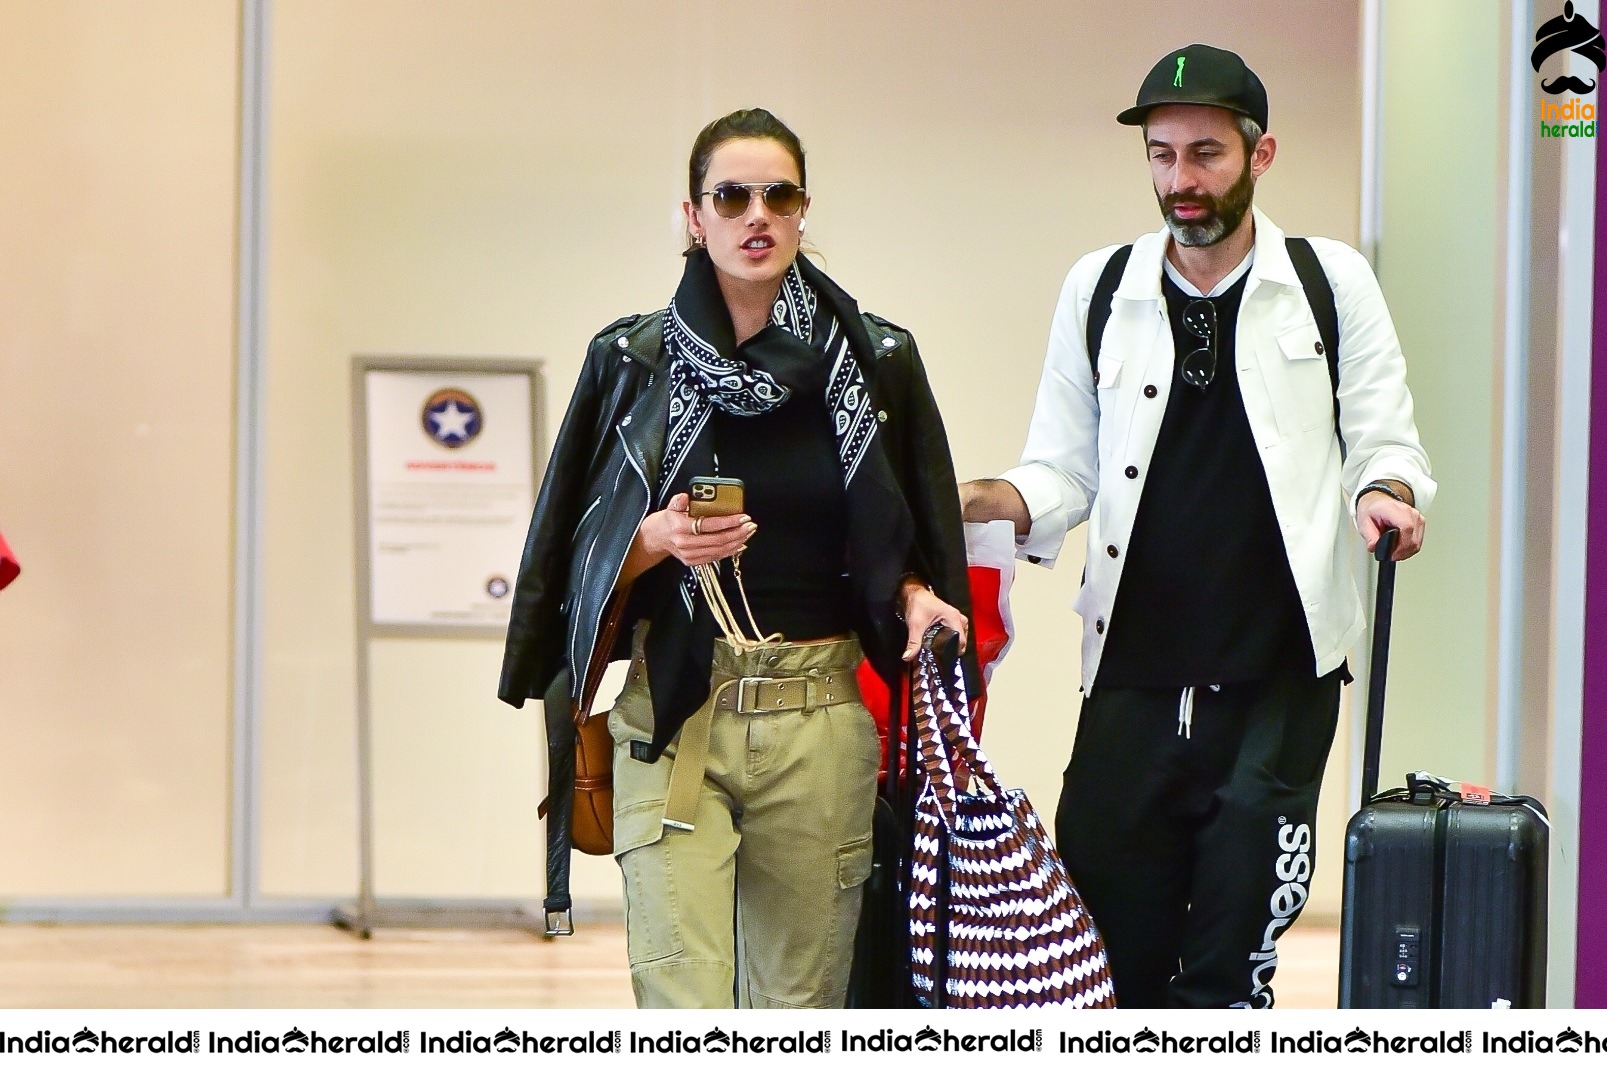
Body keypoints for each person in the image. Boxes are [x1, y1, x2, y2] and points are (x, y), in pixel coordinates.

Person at [960, 44, 1434, 1008]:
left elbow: (1384, 436)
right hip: (1130, 669)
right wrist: (982, 500)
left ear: (1260, 157)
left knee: (1231, 959)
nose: (1181, 180)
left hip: (1277, 675)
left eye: (1206, 153)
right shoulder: (1099, 288)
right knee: (1104, 954)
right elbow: (1062, 468)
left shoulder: (1327, 282)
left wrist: (1382, 490)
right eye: (1163, 155)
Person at [499, 108, 973, 1009]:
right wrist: (652, 541)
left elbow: (910, 535)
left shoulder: (874, 359)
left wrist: (915, 595)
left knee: (798, 1011)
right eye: (731, 195)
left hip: (819, 719)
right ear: (693, 216)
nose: (756, 214)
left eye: (778, 194)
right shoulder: (632, 359)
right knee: (684, 1006)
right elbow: (568, 547)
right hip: (677, 710)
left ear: (802, 212)